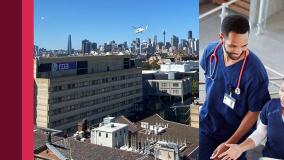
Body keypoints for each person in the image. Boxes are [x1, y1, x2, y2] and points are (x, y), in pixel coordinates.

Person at [199, 14, 271, 160]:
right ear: (221, 38)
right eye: (232, 45)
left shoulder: (256, 73)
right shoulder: (209, 53)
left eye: (244, 45)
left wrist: (229, 143)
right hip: (206, 125)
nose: (238, 51)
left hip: (235, 135)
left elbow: (254, 111)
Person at [218, 81, 284, 160]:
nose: (282, 96)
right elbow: (260, 133)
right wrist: (241, 147)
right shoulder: (270, 106)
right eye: (282, 90)